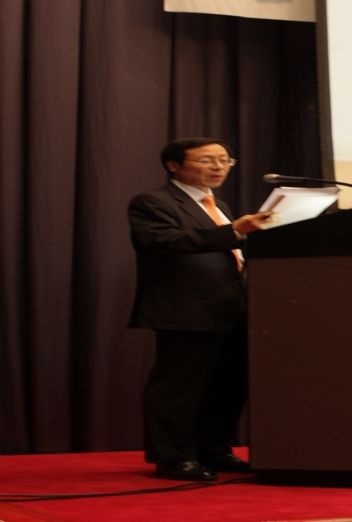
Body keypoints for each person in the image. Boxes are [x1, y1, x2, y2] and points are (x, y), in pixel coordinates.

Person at [127, 137, 273, 481]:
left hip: (233, 308)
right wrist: (233, 230)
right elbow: (161, 241)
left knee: (229, 385)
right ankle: (172, 458)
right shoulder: (153, 202)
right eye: (207, 160)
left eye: (225, 160)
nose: (219, 167)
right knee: (178, 388)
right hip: (187, 309)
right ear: (173, 165)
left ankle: (214, 449)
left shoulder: (219, 204)